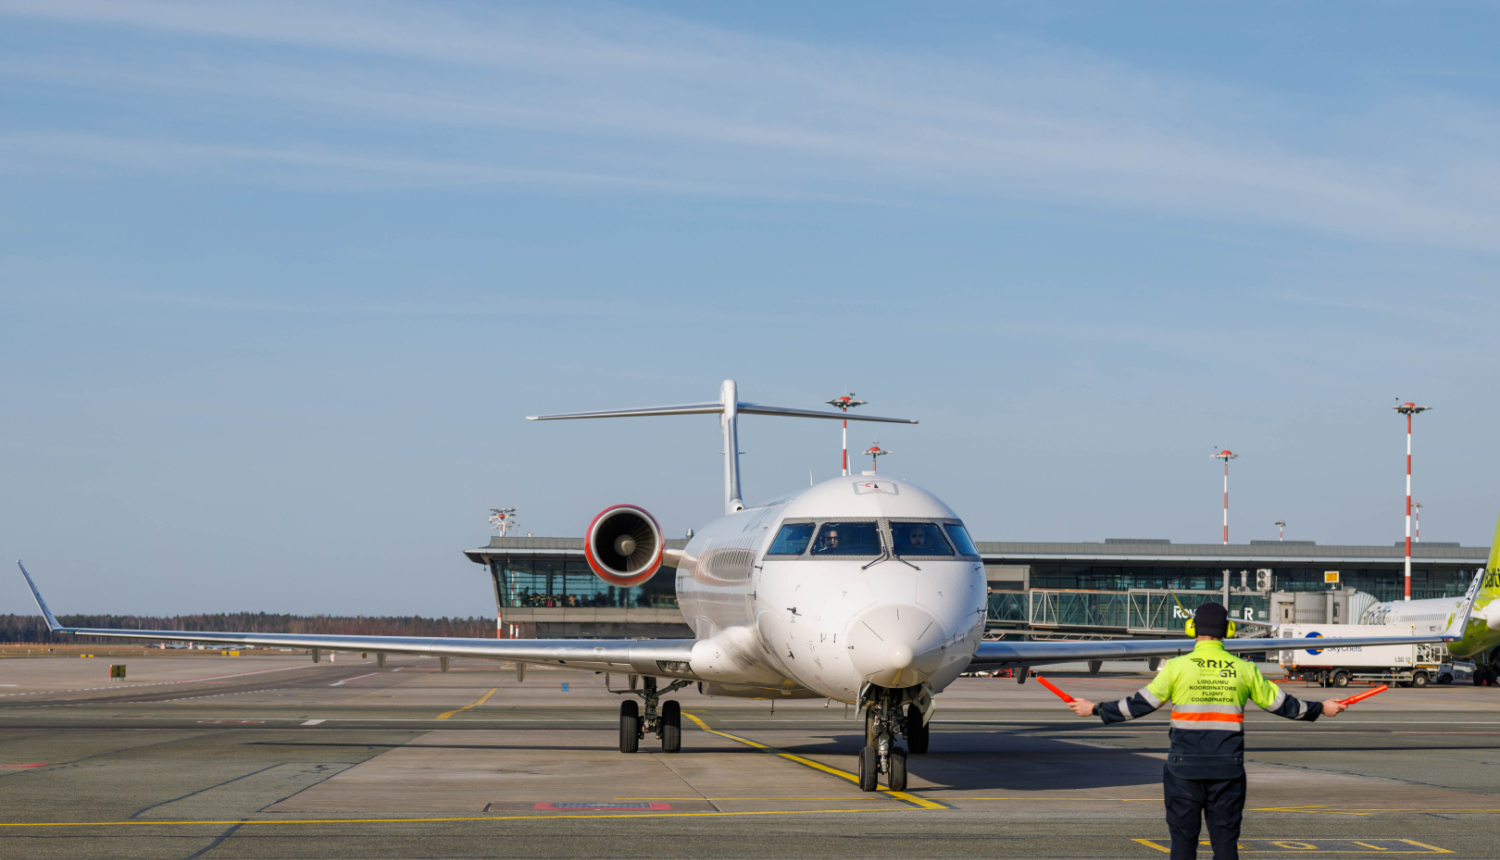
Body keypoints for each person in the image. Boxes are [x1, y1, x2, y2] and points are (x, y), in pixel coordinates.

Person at [1064, 602, 1348, 860]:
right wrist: (1322, 708)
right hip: (1228, 771)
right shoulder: (1244, 669)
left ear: (1193, 630)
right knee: (1225, 846)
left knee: (1183, 845)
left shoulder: (1176, 667)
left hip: (1184, 771)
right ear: (1228, 630)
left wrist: (1096, 709)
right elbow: (1283, 705)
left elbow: (1139, 705)